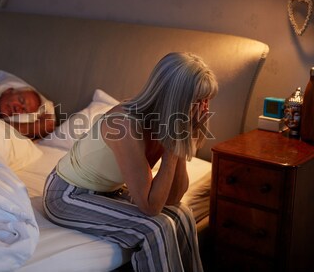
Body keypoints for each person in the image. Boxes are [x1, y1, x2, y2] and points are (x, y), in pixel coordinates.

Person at [42, 52, 218, 272]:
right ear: (175, 98)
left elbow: (173, 198)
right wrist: (173, 149)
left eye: (206, 100)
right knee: (155, 228)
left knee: (181, 214)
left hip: (107, 192)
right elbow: (151, 207)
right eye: (198, 101)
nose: (203, 109)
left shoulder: (166, 121)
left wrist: (182, 139)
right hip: (67, 195)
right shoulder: (124, 124)